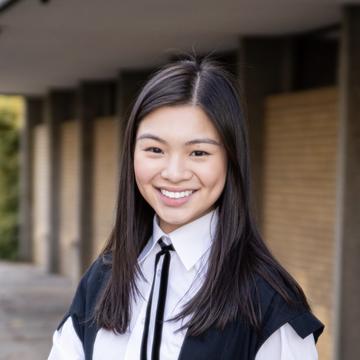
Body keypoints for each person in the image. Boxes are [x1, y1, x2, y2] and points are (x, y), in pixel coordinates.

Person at [48, 54, 324, 360]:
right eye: (155, 149)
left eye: (198, 152)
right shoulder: (103, 278)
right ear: (131, 155)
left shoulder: (268, 301)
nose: (174, 173)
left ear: (230, 160)